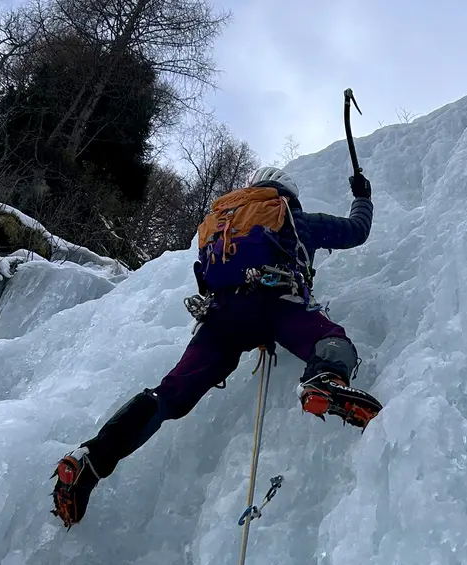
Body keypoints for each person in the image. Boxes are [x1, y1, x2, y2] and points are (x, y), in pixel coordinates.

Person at [51, 166, 382, 527]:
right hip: (277, 305)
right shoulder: (293, 217)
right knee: (330, 340)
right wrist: (362, 196)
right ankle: (325, 379)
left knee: (168, 395)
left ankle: (91, 459)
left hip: (220, 318)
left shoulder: (224, 222)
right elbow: (357, 232)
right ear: (289, 196)